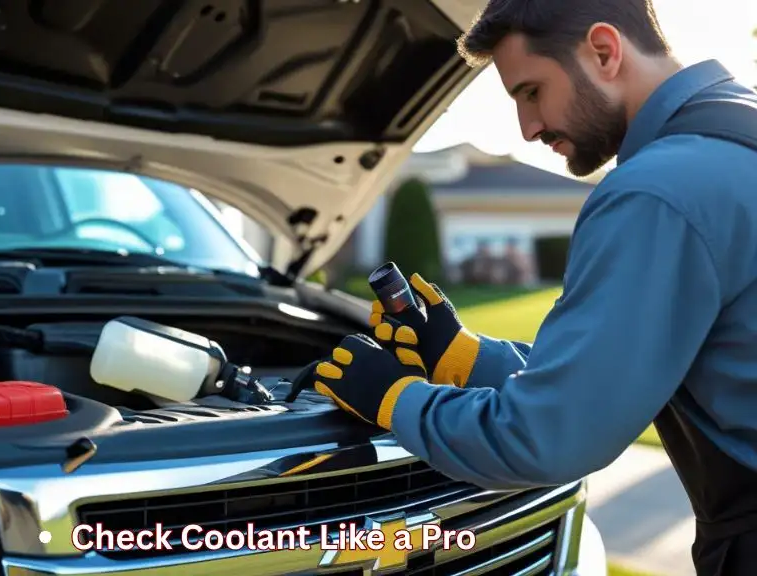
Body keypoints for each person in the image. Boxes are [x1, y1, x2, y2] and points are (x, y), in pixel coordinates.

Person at [309, 1, 757, 574]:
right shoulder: (735, 137)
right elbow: (616, 380)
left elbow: (551, 436)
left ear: (603, 51)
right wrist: (464, 358)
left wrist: (395, 399)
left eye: (531, 92)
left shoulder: (656, 192)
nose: (528, 128)